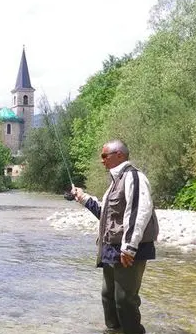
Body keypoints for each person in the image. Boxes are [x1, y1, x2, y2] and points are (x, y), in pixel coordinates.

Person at [70, 139, 159, 334]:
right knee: (108, 296)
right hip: (111, 250)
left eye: (104, 156)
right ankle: (114, 330)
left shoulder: (134, 177)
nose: (101, 160)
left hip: (127, 251)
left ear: (119, 155)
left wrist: (130, 246)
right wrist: (83, 198)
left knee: (125, 300)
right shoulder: (114, 182)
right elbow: (106, 214)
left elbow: (139, 211)